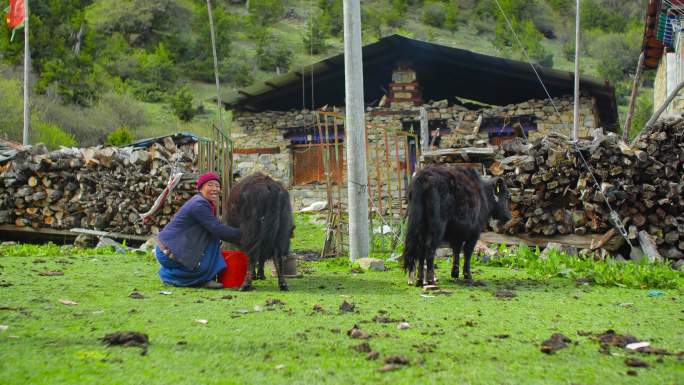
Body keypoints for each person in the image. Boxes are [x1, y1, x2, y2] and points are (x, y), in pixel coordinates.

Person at [155, 172, 241, 289]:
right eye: (210, 185)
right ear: (200, 188)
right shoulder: (199, 204)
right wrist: (244, 233)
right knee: (210, 248)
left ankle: (204, 278)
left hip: (175, 247)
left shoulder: (204, 203)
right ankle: (169, 276)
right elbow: (217, 229)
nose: (214, 188)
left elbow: (215, 228)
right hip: (168, 251)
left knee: (213, 241)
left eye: (217, 186)